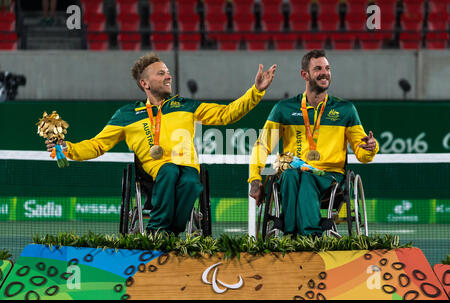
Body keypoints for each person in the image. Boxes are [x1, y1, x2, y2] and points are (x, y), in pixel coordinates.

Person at [46, 52, 277, 235]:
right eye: (161, 73)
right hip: (152, 176)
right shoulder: (127, 114)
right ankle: (157, 230)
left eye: (168, 72)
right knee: (168, 170)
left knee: (190, 182)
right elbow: (98, 145)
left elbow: (227, 114)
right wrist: (69, 149)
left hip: (186, 168)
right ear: (145, 83)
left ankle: (170, 231)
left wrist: (255, 91)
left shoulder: (185, 105)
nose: (168, 76)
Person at [248, 49, 378, 238]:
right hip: (293, 171)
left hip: (329, 176)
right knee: (292, 175)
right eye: (318, 68)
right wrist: (255, 179)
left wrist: (370, 148)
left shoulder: (346, 110)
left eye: (327, 68)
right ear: (305, 75)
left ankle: (309, 237)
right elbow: (262, 145)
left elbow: (362, 154)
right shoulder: (284, 109)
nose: (324, 72)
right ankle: (291, 236)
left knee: (306, 176)